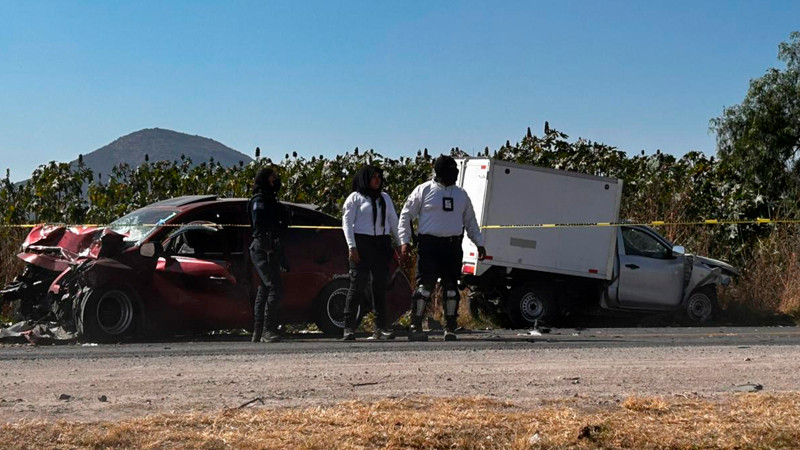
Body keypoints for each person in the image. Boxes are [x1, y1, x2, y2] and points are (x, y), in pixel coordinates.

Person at [398, 155, 486, 341]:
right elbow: (406, 215)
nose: (455, 173)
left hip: (452, 247)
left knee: (451, 289)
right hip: (429, 247)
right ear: (441, 172)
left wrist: (480, 243)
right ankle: (415, 326)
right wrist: (404, 241)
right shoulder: (424, 190)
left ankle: (450, 327)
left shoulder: (461, 194)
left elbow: (470, 222)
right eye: (451, 170)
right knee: (423, 289)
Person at [341, 165, 401, 341]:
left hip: (381, 244)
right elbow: (347, 224)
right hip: (362, 243)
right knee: (357, 285)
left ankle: (381, 327)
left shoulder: (385, 198)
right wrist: (352, 247)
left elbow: (393, 221)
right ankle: (348, 327)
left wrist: (400, 243)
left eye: (379, 177)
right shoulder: (355, 198)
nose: (377, 180)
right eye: (373, 177)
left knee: (379, 286)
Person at [249, 167, 289, 343]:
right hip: (262, 248)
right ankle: (267, 330)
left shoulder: (271, 200)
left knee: (264, 288)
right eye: (273, 178)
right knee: (274, 287)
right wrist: (268, 249)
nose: (276, 180)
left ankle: (258, 332)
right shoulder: (259, 201)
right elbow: (259, 229)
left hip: (272, 247)